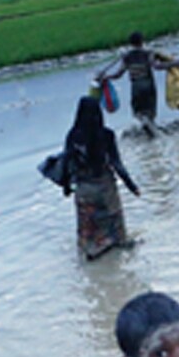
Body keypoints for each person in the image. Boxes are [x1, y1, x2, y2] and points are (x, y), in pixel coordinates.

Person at [60, 96, 140, 260]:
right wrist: (132, 186)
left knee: (87, 223)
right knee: (114, 218)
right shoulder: (107, 135)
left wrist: (66, 187)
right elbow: (117, 164)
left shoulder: (73, 135)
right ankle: (119, 243)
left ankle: (90, 250)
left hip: (83, 188)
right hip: (104, 187)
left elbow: (66, 163)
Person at [99, 32, 179, 135]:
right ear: (142, 41)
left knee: (139, 112)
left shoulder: (127, 57)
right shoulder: (148, 53)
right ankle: (151, 128)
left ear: (131, 43)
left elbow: (118, 74)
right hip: (148, 85)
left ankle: (148, 128)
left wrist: (105, 77)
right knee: (149, 111)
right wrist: (174, 63)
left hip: (136, 86)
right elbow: (157, 66)